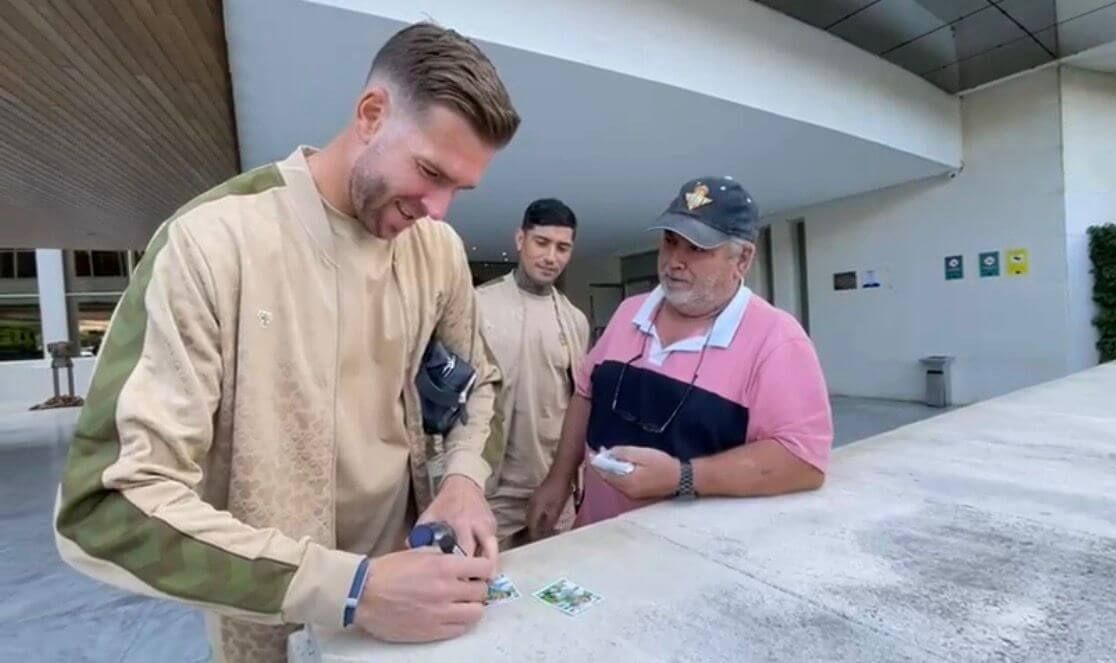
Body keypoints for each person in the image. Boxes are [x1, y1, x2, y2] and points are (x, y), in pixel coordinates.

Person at [53, 23, 520, 663]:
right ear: (371, 114)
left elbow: (480, 387)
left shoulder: (435, 252)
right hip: (266, 631)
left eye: (458, 190)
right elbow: (107, 507)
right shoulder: (210, 244)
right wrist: (350, 588)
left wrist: (463, 478)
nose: (439, 209)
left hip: (414, 610)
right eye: (429, 172)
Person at [527, 177, 833, 537]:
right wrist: (560, 477)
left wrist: (682, 477)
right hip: (594, 538)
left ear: (743, 258)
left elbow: (803, 461)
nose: (674, 261)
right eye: (670, 242)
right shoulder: (630, 312)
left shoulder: (777, 340)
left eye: (698, 249)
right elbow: (586, 393)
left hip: (689, 558)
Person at [477, 199, 590, 550]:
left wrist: (567, 480)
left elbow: (579, 403)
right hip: (490, 491)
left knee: (554, 588)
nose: (550, 257)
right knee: (485, 591)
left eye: (562, 248)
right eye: (541, 243)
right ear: (520, 239)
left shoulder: (574, 320)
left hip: (556, 489)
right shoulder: (476, 306)